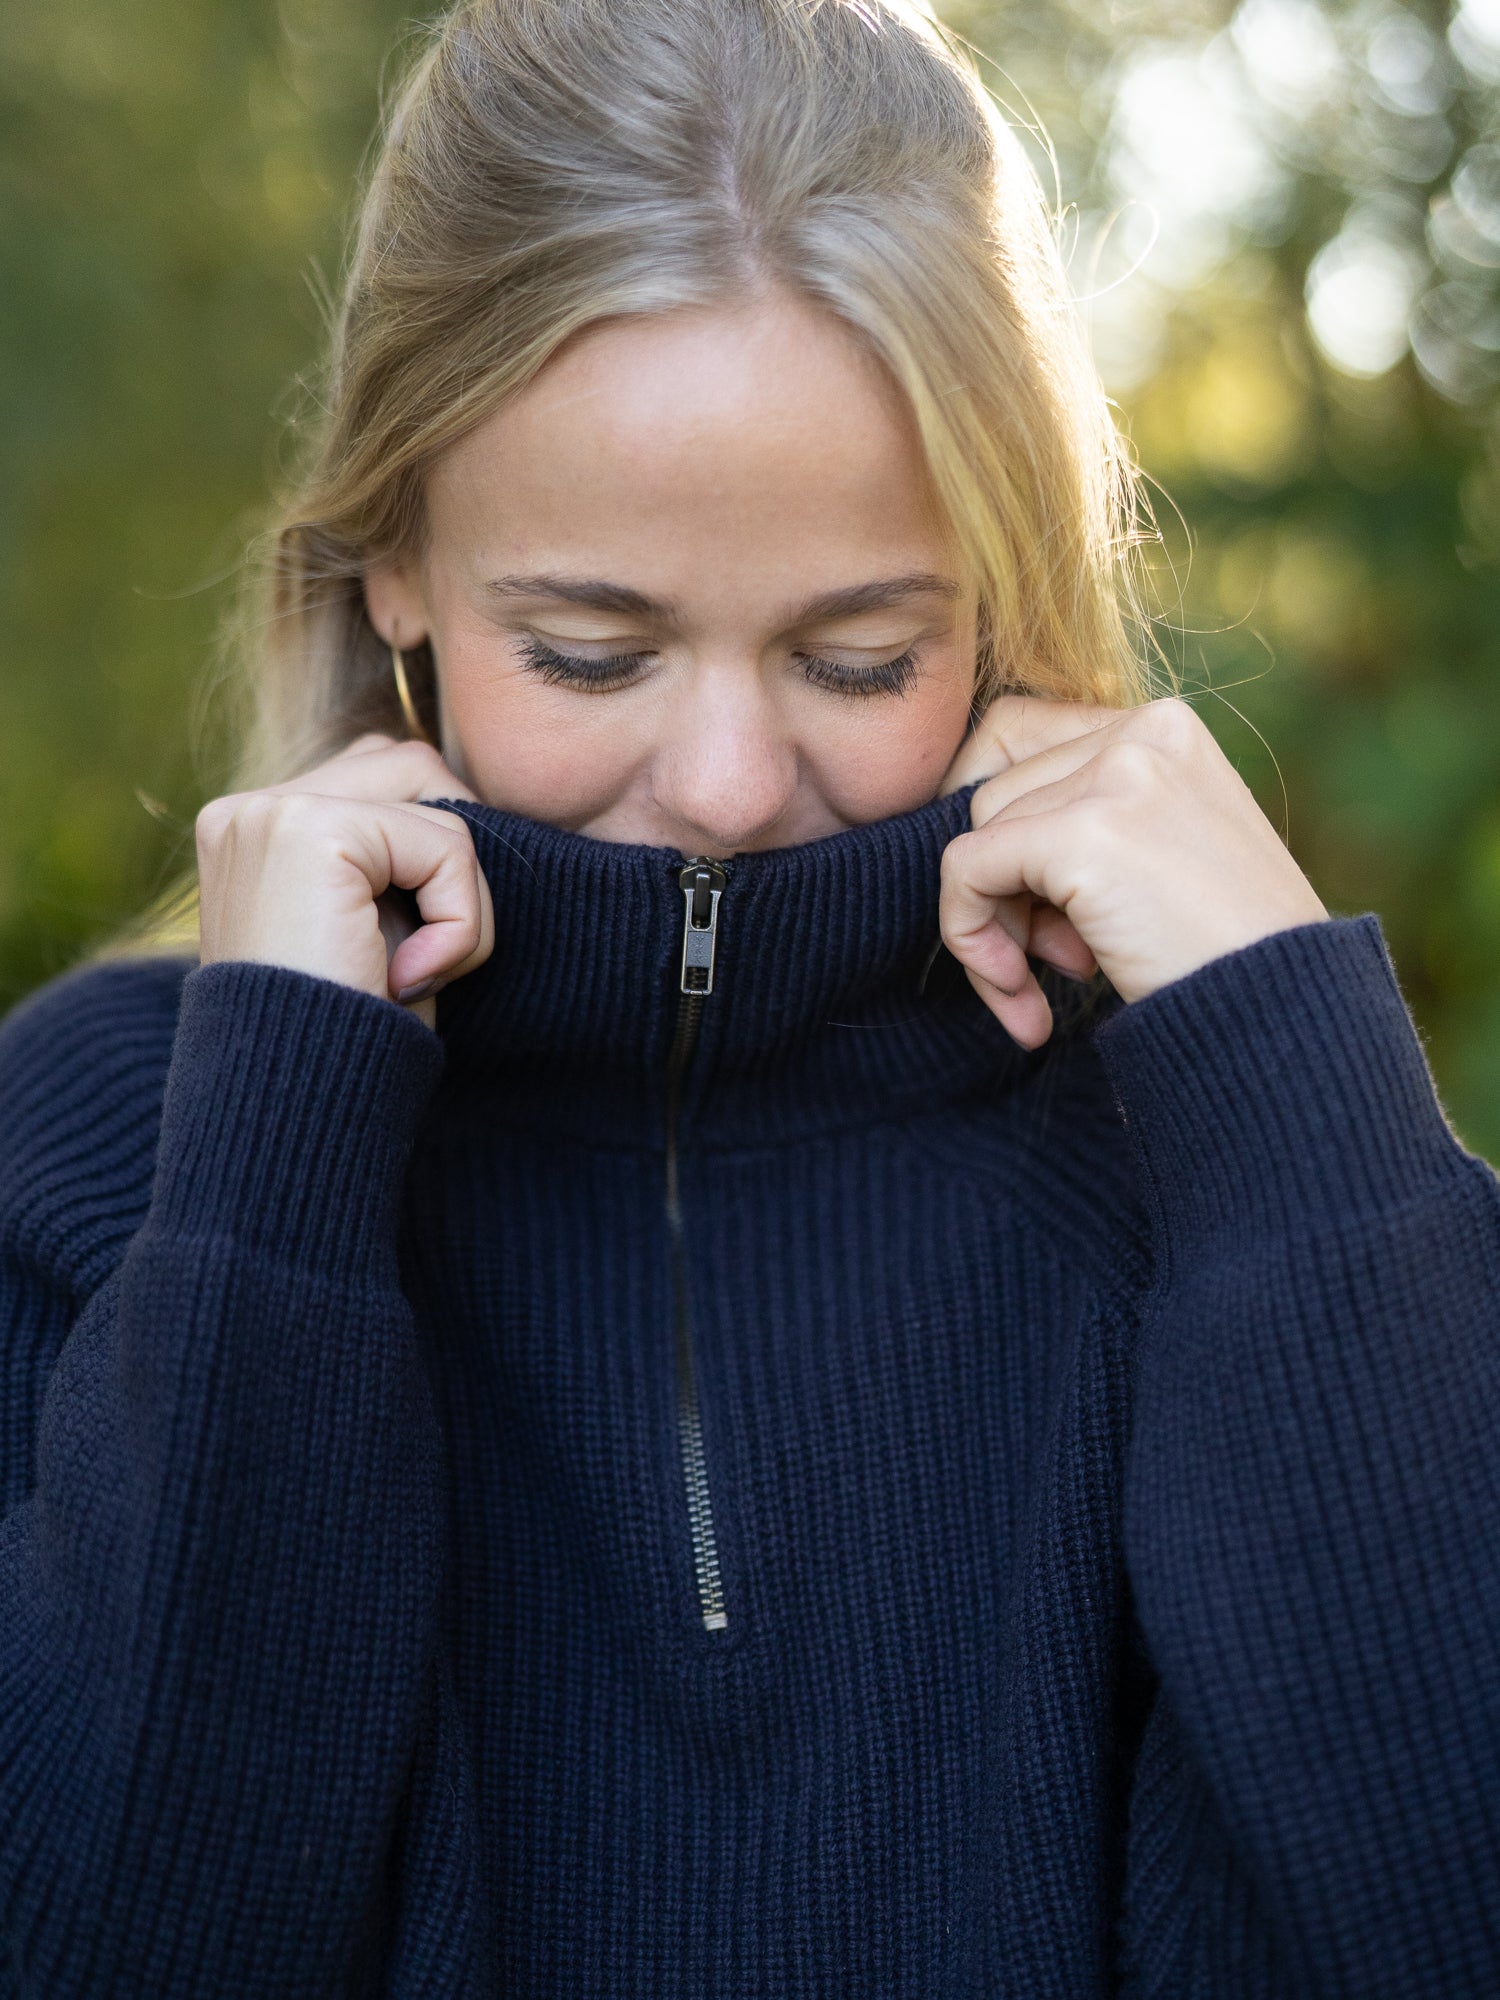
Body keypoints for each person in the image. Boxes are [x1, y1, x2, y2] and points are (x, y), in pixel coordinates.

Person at [0, 0, 1495, 1993]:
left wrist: (1300, 1086)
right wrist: (267, 1182)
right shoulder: (88, 1151)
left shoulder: (1218, 1161)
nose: (722, 784)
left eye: (860, 656)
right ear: (395, 565)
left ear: (999, 590)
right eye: (592, 650)